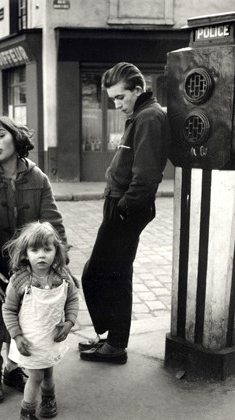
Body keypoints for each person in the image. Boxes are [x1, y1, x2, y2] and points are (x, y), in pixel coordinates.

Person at [0, 116, 68, 404]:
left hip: (25, 264)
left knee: (22, 316)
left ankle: (12, 369)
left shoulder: (38, 178)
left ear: (15, 137)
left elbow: (53, 224)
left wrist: (62, 261)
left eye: (0, 136)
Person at [79, 62, 170, 363]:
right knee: (109, 273)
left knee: (104, 274)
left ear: (137, 90)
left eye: (120, 97)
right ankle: (111, 338)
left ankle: (115, 344)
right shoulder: (140, 115)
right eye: (113, 99)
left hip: (126, 207)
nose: (116, 105)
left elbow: (145, 178)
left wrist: (123, 209)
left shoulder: (149, 118)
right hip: (121, 204)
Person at [2, 221, 79, 420]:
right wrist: (16, 336)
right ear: (26, 253)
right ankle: (26, 412)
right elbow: (9, 309)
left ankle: (49, 398)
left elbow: (72, 299)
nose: (42, 254)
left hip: (52, 337)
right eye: (35, 250)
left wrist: (69, 323)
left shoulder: (62, 277)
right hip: (30, 340)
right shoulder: (20, 280)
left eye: (47, 249)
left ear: (56, 251)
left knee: (48, 371)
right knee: (35, 375)